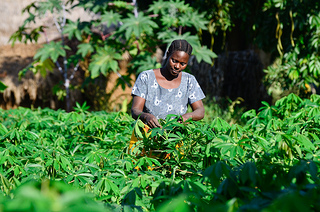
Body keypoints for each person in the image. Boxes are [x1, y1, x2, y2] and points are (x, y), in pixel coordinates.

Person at [131, 39, 205, 128]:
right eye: (174, 61)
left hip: (175, 136)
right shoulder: (146, 77)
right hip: (147, 135)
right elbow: (135, 110)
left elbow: (200, 111)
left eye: (183, 63)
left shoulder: (189, 80)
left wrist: (187, 116)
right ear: (167, 54)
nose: (177, 66)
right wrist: (146, 116)